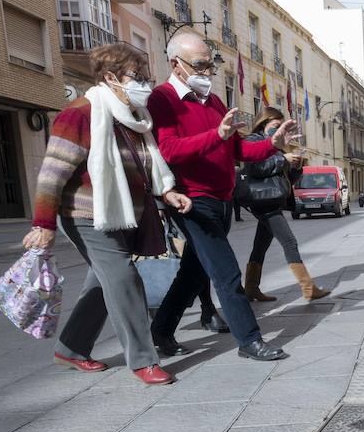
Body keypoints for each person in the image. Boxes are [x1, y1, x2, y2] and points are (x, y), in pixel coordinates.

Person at [22, 44, 192, 386]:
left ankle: (71, 348)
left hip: (127, 214)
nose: (145, 83)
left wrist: (167, 190)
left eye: (147, 76)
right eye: (137, 76)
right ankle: (144, 360)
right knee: (124, 278)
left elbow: (145, 164)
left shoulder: (134, 118)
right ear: (111, 77)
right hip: (88, 215)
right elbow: (51, 174)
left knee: (103, 282)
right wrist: (43, 224)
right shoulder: (80, 114)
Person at [147, 31, 298, 361]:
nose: (206, 73)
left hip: (222, 198)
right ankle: (250, 340)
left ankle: (160, 330)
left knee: (195, 271)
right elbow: (168, 149)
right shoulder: (162, 99)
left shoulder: (213, 102)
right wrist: (215, 135)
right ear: (176, 63)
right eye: (200, 65)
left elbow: (238, 148)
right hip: (191, 200)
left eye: (209, 66)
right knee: (225, 270)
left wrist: (272, 144)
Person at [240, 107, 332, 303]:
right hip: (263, 201)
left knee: (260, 245)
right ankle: (308, 288)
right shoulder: (252, 141)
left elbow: (287, 177)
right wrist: (283, 158)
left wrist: (296, 166)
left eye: (280, 126)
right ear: (264, 123)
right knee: (289, 242)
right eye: (275, 125)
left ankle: (251, 288)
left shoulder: (276, 145)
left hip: (271, 200)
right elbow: (256, 168)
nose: (277, 129)